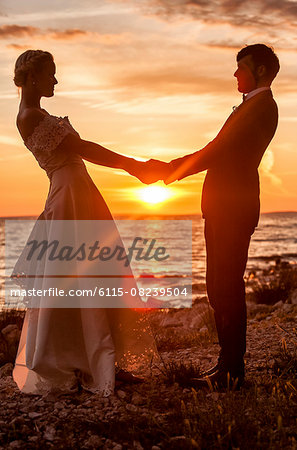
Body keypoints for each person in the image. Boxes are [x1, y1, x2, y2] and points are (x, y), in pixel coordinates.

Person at [11, 49, 164, 396]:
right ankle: (84, 362)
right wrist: (133, 165)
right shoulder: (29, 116)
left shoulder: (40, 112)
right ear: (32, 77)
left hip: (81, 194)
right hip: (69, 200)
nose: (56, 80)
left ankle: (104, 360)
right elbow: (83, 147)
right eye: (51, 74)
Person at [158, 44, 280, 388]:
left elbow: (218, 150)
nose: (235, 74)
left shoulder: (261, 107)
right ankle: (227, 366)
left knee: (226, 286)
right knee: (217, 286)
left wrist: (171, 170)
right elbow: (218, 148)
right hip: (223, 208)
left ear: (260, 70)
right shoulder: (249, 106)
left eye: (241, 67)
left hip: (234, 208)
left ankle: (231, 371)